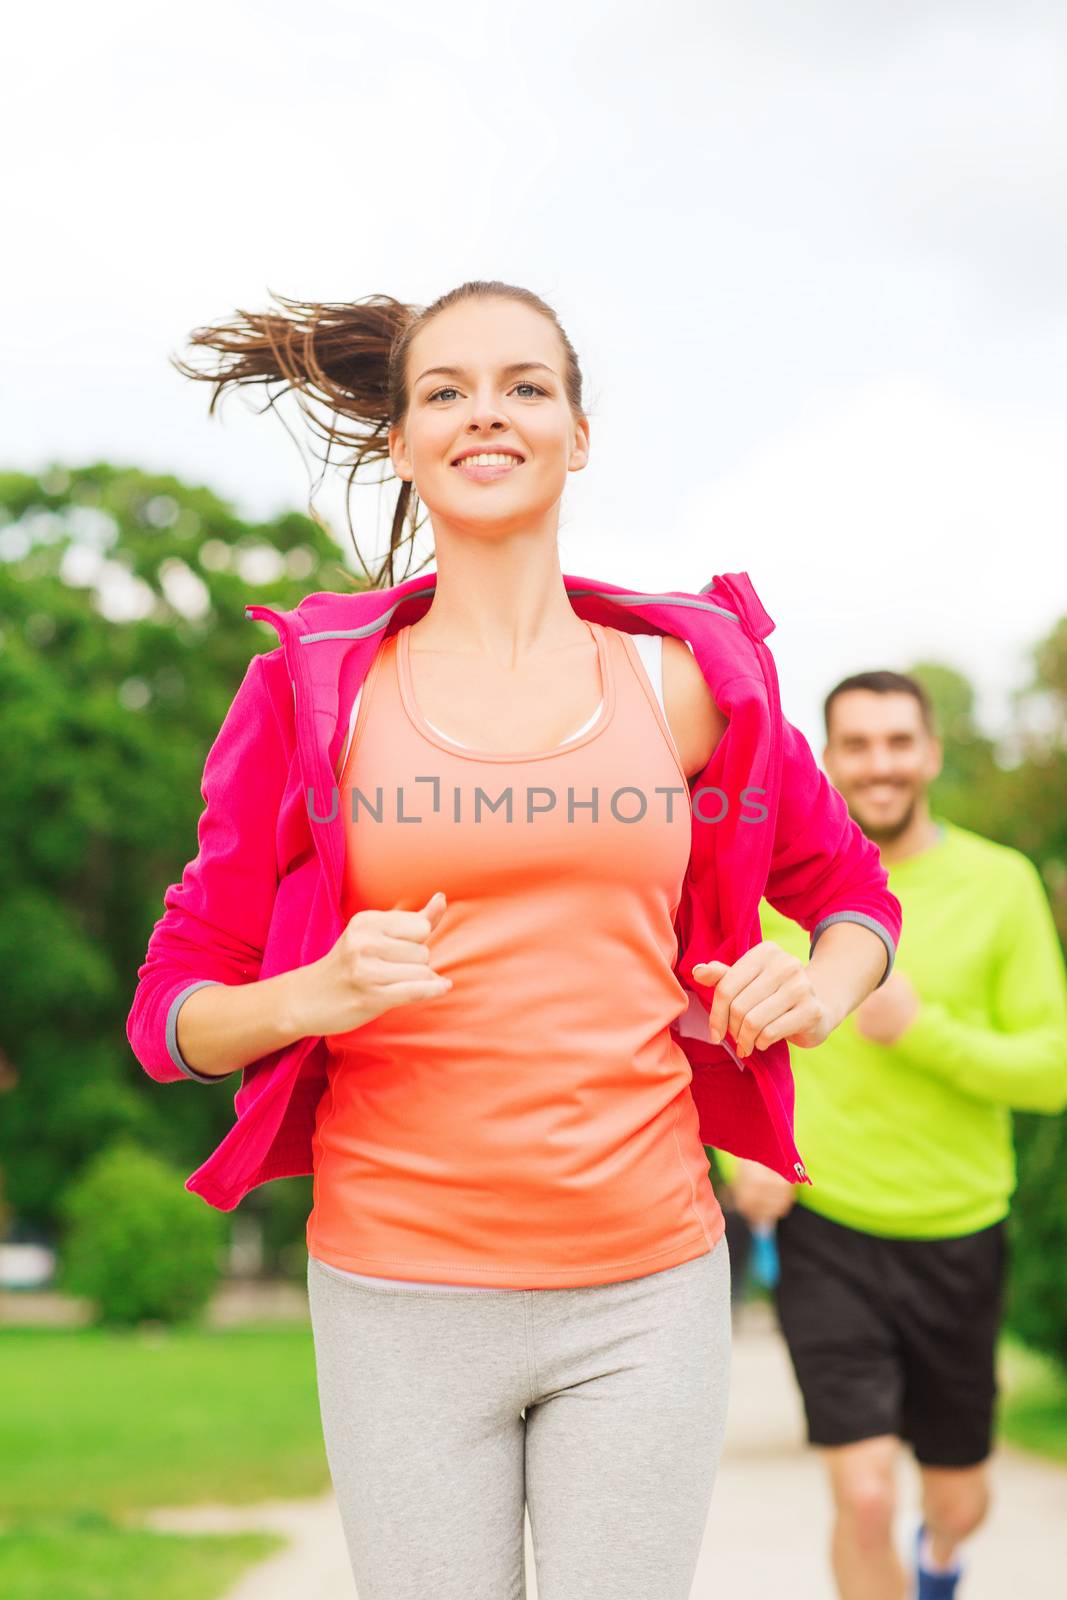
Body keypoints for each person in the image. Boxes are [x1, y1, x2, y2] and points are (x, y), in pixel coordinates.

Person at [126, 280, 901, 1599]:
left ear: (575, 434)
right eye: (446, 391)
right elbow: (171, 1006)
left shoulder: (680, 684)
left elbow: (851, 896)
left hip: (642, 1284)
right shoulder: (315, 694)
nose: (485, 413)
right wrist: (303, 996)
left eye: (523, 385)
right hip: (397, 1289)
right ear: (402, 441)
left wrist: (817, 989)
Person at [719, 669, 1067, 1600]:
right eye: (857, 745)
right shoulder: (770, 890)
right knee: (863, 1493)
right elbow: (717, 1040)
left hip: (957, 1227)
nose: (879, 765)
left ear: (930, 753)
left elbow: (1054, 1065)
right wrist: (740, 1160)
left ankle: (942, 1562)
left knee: (954, 1500)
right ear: (826, 760)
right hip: (825, 1225)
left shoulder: (1000, 883)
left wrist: (920, 1030)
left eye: (897, 742)